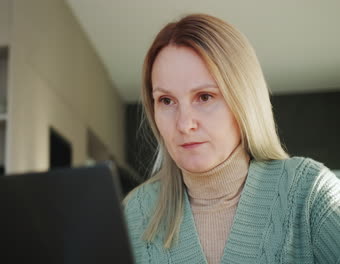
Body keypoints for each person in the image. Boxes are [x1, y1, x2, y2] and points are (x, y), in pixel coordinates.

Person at [123, 13, 340, 264]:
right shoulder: (134, 212)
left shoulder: (309, 192)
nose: (184, 124)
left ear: (243, 100)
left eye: (205, 97)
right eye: (166, 100)